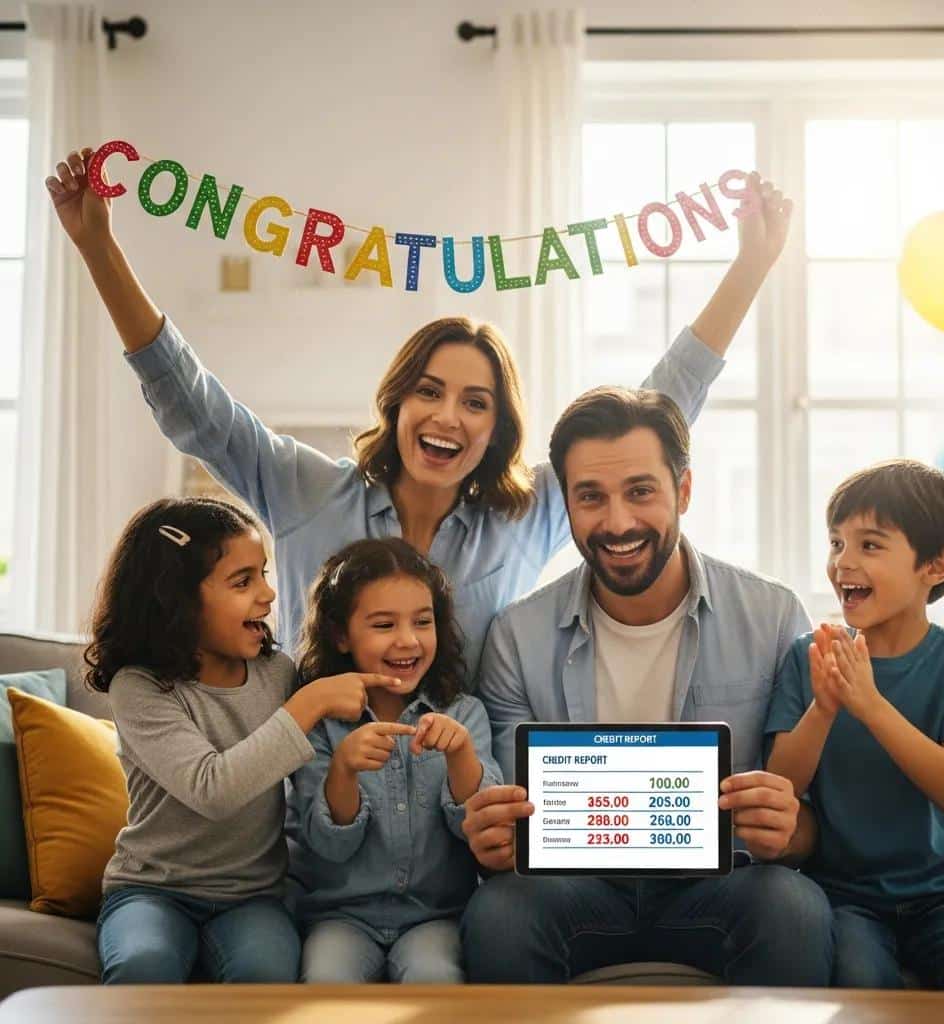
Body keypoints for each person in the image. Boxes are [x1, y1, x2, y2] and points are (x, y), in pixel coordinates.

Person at [46, 147, 793, 676]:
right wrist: (97, 249)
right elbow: (192, 404)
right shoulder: (307, 491)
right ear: (396, 401)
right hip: (316, 807)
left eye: (477, 403)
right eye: (429, 391)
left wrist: (750, 266)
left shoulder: (528, 514)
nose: (448, 417)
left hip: (454, 812)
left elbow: (660, 406)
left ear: (497, 430)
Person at [459, 386, 833, 985]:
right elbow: (510, 819)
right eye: (590, 497)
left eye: (640, 491)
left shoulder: (773, 615)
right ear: (567, 504)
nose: (618, 523)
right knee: (499, 914)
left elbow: (815, 822)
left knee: (794, 909)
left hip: (726, 886)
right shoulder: (517, 636)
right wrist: (493, 838)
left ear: (683, 490)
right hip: (574, 893)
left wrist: (790, 831)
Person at [87, 497, 408, 984]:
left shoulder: (276, 673)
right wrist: (309, 703)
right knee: (142, 962)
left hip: (252, 897)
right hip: (153, 890)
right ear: (177, 598)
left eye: (263, 573)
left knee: (265, 972)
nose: (268, 594)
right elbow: (213, 789)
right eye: (243, 581)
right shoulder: (141, 688)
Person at [765, 459, 944, 1004]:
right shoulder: (806, 658)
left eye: (870, 545)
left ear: (935, 565)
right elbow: (782, 787)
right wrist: (825, 708)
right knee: (863, 989)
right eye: (836, 543)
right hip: (846, 897)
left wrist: (870, 704)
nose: (843, 563)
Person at [287, 538, 500, 983]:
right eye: (384, 625)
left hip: (434, 917)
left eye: (423, 622)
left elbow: (479, 833)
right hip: (340, 916)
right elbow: (329, 844)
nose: (408, 640)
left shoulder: (464, 713)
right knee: (327, 982)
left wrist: (460, 753)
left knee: (436, 979)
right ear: (341, 635)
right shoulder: (319, 721)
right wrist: (343, 768)